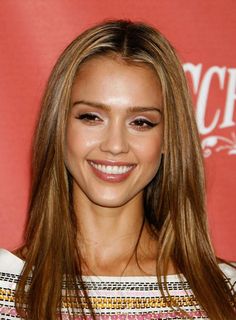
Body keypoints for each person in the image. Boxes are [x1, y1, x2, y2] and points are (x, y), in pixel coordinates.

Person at [0, 20, 235, 320]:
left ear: (168, 139)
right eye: (91, 117)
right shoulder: (6, 284)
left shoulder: (225, 293)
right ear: (59, 127)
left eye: (140, 122)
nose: (115, 145)